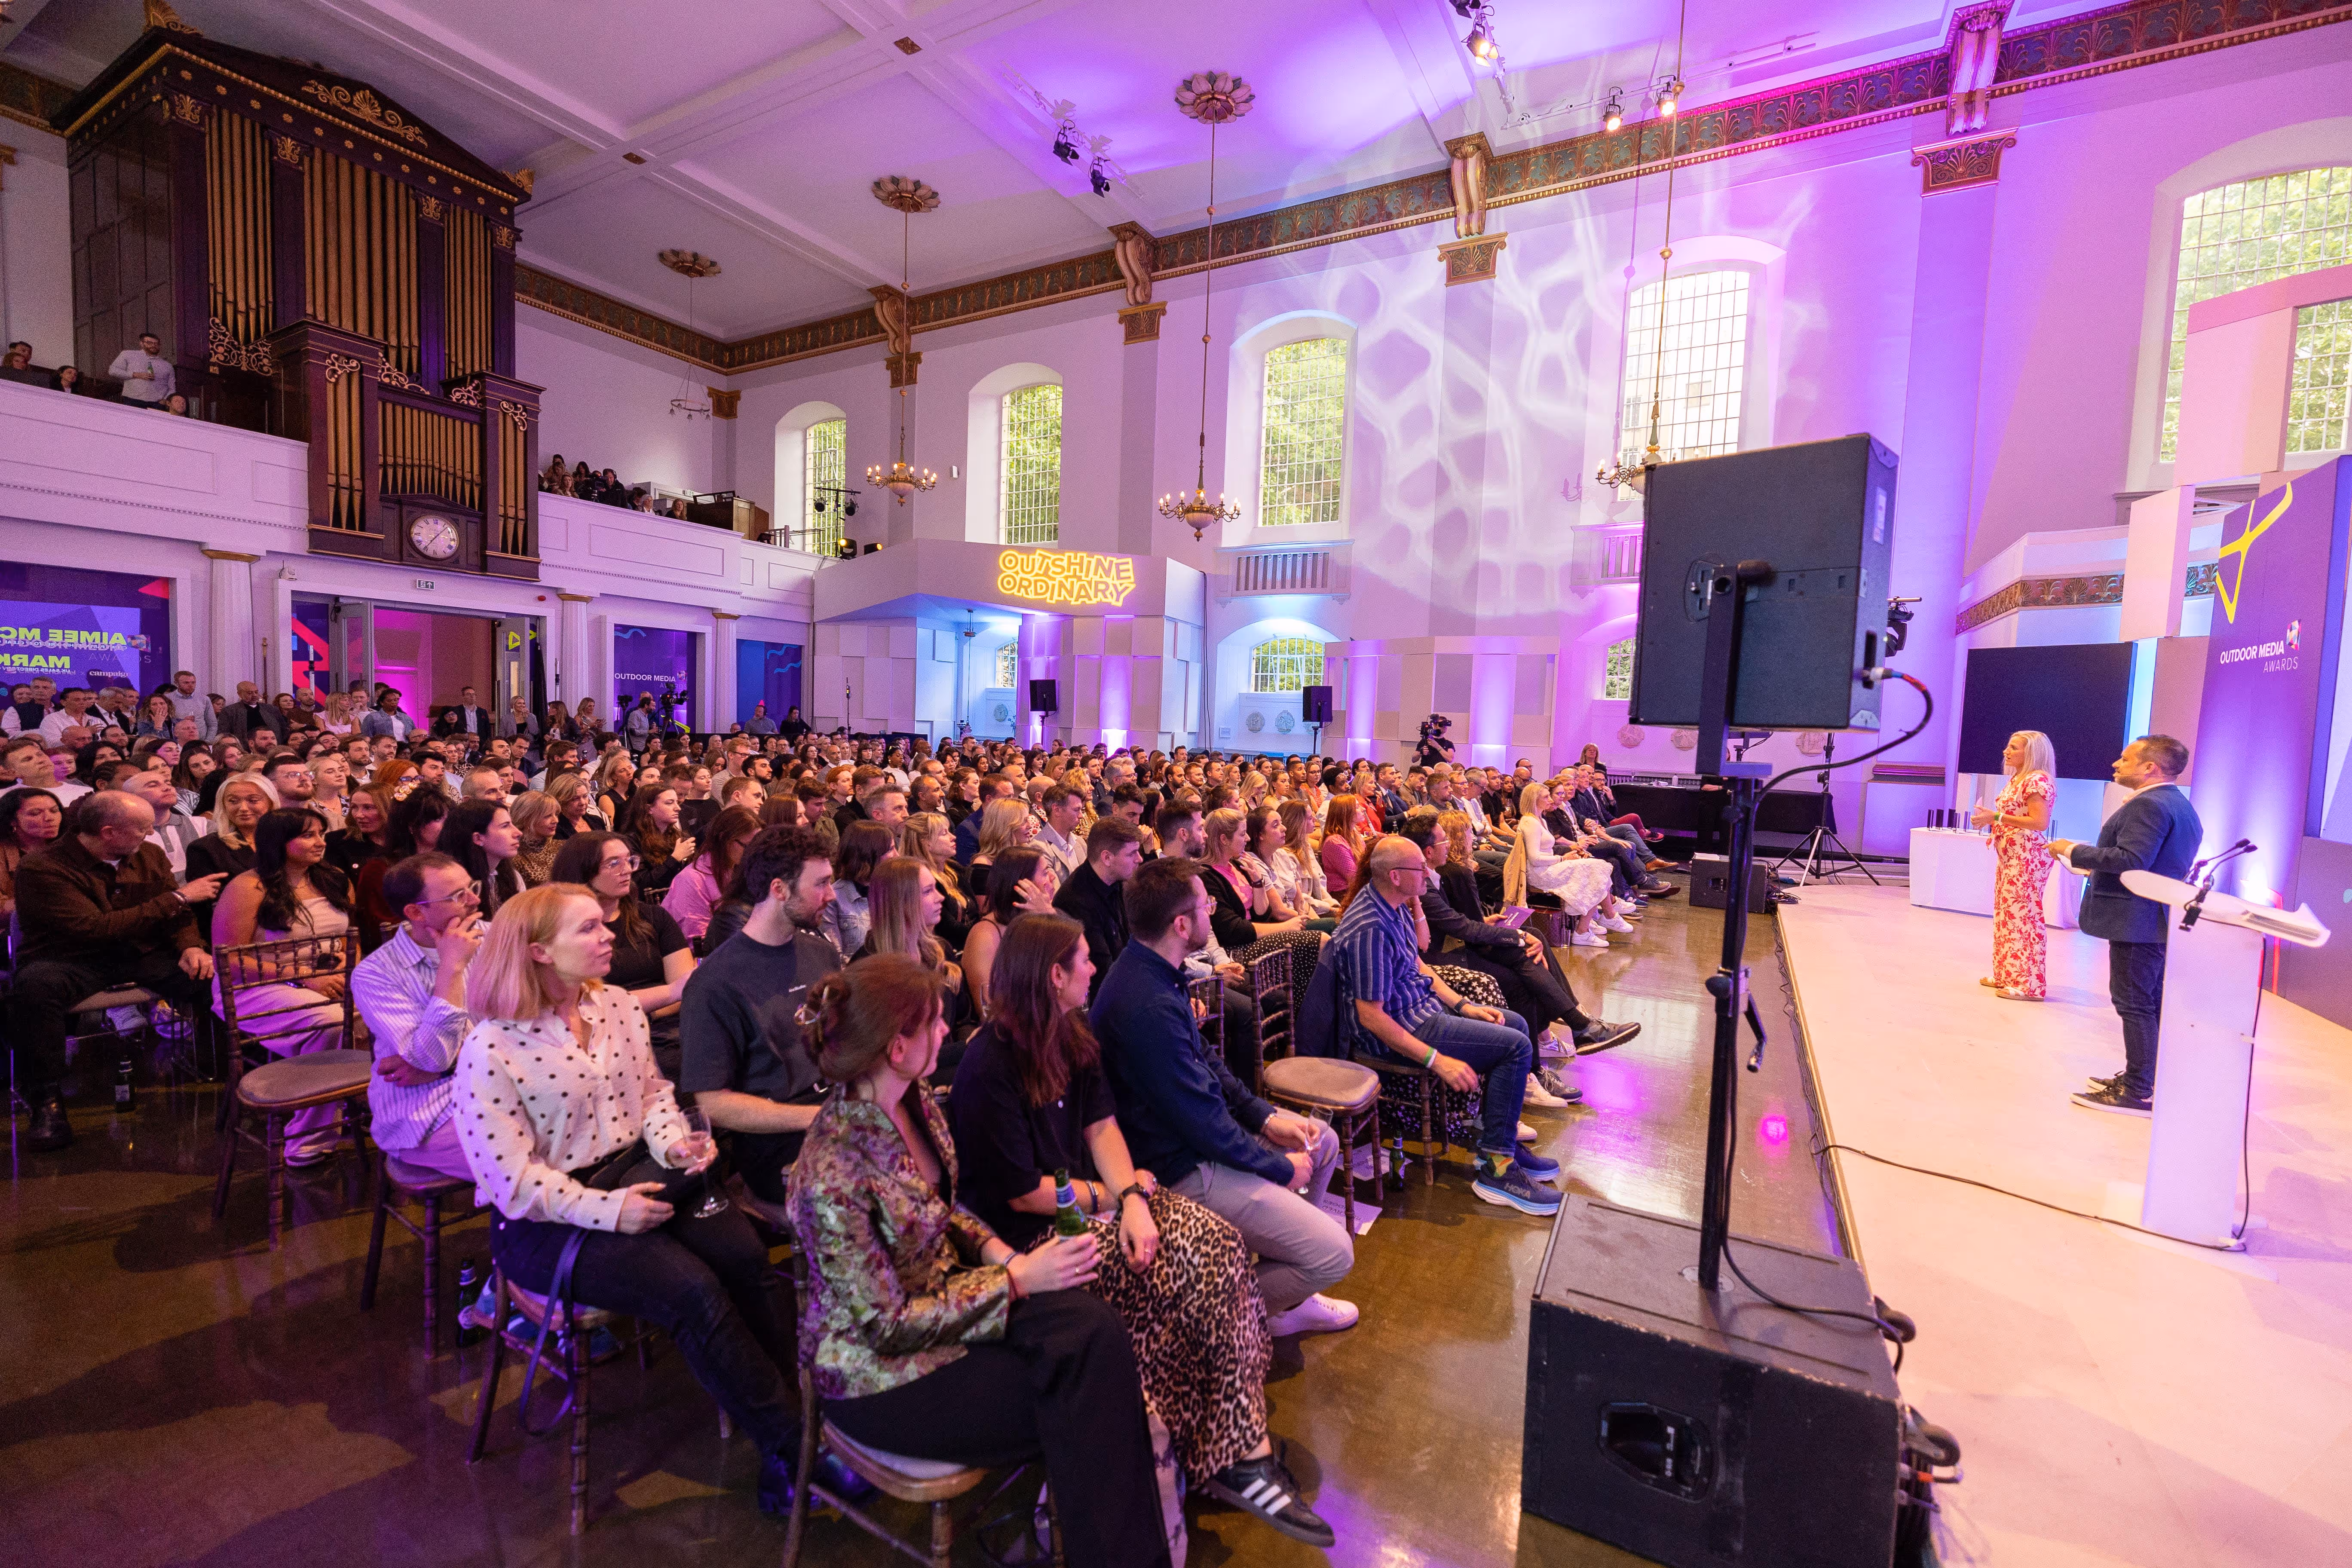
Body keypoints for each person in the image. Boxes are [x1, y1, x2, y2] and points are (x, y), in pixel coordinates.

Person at [952, 915, 1331, 1546]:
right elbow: (1023, 1193)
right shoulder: (988, 1064)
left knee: (1219, 1245)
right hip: (1029, 1238)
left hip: (1092, 1203)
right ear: (1053, 977)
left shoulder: (1071, 1033)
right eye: (1082, 959)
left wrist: (1130, 1199)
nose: (1093, 967)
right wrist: (1115, 1196)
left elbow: (1102, 1128)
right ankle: (1208, 1451)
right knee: (1162, 1279)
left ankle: (1240, 1451)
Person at [789, 954, 1172, 1568]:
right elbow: (885, 1326)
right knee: (1090, 1397)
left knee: (1095, 1330)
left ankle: (1110, 1543)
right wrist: (1014, 1279)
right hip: (878, 1377)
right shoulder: (830, 1171)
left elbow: (943, 1208)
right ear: (896, 1048)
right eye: (935, 1022)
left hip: (951, 1301)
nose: (948, 1029)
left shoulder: (913, 1100)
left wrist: (1001, 1253)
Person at [453, 883, 812, 1513]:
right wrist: (610, 1212)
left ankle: (795, 1413)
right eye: (589, 928)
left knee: (747, 1260)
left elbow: (652, 1097)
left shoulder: (616, 1004)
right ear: (538, 951)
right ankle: (793, 1448)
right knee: (693, 1292)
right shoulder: (492, 1047)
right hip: (551, 1219)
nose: (608, 936)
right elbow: (512, 1184)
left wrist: (674, 1145)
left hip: (639, 1174)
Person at [1090, 856, 1359, 1337]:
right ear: (1181, 924)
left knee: (1320, 1140)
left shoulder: (1155, 969)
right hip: (1179, 1169)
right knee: (1334, 1254)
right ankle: (1223, 1320)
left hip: (1196, 1142)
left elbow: (1208, 1062)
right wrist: (1275, 1166)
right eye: (1206, 906)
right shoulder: (1146, 1003)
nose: (1211, 914)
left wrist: (1265, 1118)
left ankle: (1285, 1296)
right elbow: (1201, 1123)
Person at [1327, 835, 1561, 1215]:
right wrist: (1437, 1061)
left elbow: (1419, 961)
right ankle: (1497, 1170)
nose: (1428, 872)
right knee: (1516, 1047)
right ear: (1395, 876)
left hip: (1421, 1012)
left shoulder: (1392, 904)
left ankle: (1496, 1139)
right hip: (1399, 1031)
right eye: (1419, 868)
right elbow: (1371, 1016)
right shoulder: (1369, 925)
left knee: (1516, 1025)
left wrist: (1464, 1005)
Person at [8, 792, 225, 1151]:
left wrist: (191, 946)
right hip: (69, 957)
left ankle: (226, 1066)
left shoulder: (148, 855)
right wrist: (178, 898)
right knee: (34, 991)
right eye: (142, 828)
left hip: (137, 951)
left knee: (213, 975)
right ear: (109, 832)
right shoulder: (42, 867)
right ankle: (45, 1099)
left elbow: (179, 915)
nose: (150, 833)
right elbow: (93, 929)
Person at [678, 824, 841, 1204]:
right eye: (821, 884)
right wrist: (815, 1117)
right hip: (777, 1139)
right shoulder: (714, 983)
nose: (831, 895)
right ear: (779, 890)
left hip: (839, 1108)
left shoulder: (821, 954)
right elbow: (713, 1103)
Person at [2048, 735, 2204, 1115]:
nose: (2116, 764)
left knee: (2134, 1004)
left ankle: (2136, 1091)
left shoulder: (2149, 805)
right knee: (2148, 1002)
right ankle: (2147, 1078)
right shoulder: (2177, 803)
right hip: (2152, 917)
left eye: (2125, 758)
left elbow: (2131, 860)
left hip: (2137, 919)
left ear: (2150, 768)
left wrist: (2071, 849)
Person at [211, 808, 357, 1165]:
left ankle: (375, 1109)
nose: (320, 842)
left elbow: (347, 937)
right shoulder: (248, 887)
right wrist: (303, 976)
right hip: (254, 985)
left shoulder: (334, 879)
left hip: (324, 979)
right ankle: (308, 1137)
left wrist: (346, 962)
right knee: (332, 1022)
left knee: (390, 1012)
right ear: (279, 842)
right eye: (308, 835)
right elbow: (228, 960)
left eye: (321, 834)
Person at [551, 832, 695, 1073]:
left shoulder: (654, 917)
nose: (627, 870)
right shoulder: (565, 931)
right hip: (602, 1035)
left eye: (630, 860)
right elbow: (588, 1004)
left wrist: (642, 1010)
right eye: (614, 863)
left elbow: (683, 989)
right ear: (584, 871)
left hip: (667, 1026)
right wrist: (658, 999)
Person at [1974, 730, 2059, 1002]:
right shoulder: (2018, 778)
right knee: (2007, 916)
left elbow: (2039, 822)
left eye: (2014, 748)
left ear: (2031, 752)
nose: (2006, 752)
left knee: (2024, 919)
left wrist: (1997, 817)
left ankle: (2030, 985)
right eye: (2008, 747)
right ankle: (2007, 974)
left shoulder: (2037, 781)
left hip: (2027, 856)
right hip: (2011, 854)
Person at [1053, 816, 1146, 1001]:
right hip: (1101, 1000)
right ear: (1107, 858)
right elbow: (1103, 971)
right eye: (1132, 854)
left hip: (1122, 987)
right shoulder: (1077, 900)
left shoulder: (1115, 881)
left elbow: (1131, 942)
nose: (1140, 859)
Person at [662, 803, 759, 943]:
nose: (753, 852)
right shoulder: (692, 880)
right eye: (748, 846)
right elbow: (697, 943)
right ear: (725, 840)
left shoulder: (739, 869)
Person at [442, 797, 526, 916]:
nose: (518, 833)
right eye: (505, 826)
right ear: (478, 838)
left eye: (512, 824)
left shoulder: (512, 877)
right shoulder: (455, 886)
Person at [617, 781, 697, 900]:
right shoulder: (631, 840)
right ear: (649, 809)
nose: (678, 808)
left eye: (677, 802)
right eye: (669, 803)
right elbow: (641, 885)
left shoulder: (678, 836)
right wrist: (675, 859)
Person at [0, 785, 64, 922]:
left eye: (54, 811)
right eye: (35, 813)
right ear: (13, 821)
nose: (49, 818)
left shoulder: (70, 845)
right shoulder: (3, 851)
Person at [107, 331, 175, 407]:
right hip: (132, 400)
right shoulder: (128, 355)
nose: (153, 346)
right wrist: (135, 375)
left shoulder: (167, 365)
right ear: (142, 344)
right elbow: (113, 371)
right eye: (149, 343)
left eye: (156, 344)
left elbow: (172, 388)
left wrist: (165, 400)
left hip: (157, 404)